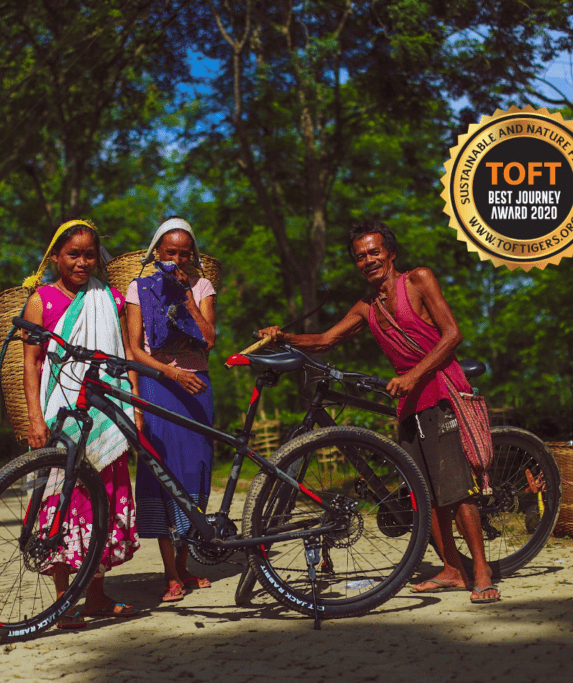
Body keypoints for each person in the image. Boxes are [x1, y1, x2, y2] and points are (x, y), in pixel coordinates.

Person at [257, 219, 500, 605]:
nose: (368, 260)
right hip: (409, 401)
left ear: (390, 253)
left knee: (455, 490)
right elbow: (324, 340)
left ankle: (482, 572)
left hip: (439, 390)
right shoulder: (366, 307)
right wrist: (282, 336)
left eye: (374, 252)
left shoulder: (418, 280)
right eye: (360, 256)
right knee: (423, 494)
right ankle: (453, 569)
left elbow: (453, 334)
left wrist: (415, 374)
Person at [21, 219, 141, 628]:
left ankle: (96, 596)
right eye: (73, 254)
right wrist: (35, 418)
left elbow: (125, 353)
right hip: (61, 414)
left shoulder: (109, 297)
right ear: (55, 257)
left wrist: (136, 407)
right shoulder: (42, 300)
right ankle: (62, 601)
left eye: (90, 254)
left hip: (105, 412)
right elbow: (32, 363)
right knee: (64, 501)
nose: (82, 262)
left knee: (102, 500)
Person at [126, 217, 217, 603]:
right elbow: (133, 349)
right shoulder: (138, 288)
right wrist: (170, 374)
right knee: (161, 474)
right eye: (170, 253)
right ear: (156, 254)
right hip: (157, 386)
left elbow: (209, 340)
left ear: (192, 256)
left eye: (184, 253)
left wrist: (188, 301)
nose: (177, 259)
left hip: (198, 390)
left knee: (195, 472)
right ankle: (170, 573)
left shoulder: (202, 286)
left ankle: (185, 563)